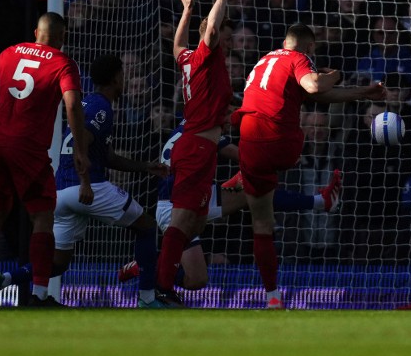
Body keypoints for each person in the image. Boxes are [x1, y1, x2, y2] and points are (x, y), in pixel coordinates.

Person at [233, 23, 386, 309]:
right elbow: (315, 85)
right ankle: (316, 200)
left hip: (248, 138)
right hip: (279, 141)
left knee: (259, 219)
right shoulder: (298, 58)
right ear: (310, 47)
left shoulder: (266, 59)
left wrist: (362, 92)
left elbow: (317, 94)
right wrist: (336, 74)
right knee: (306, 132)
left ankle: (272, 297)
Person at [0, 55, 170, 307]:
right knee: (146, 227)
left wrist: (145, 167)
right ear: (115, 78)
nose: (124, 79)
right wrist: (86, 182)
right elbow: (85, 141)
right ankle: (147, 298)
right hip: (87, 187)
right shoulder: (101, 107)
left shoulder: (88, 101)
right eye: (122, 75)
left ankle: (5, 279)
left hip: (61, 191)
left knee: (57, 262)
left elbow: (107, 156)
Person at [118, 111, 343, 291]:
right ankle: (148, 266)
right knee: (196, 281)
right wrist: (281, 158)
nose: (228, 117)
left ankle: (320, 201)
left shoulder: (192, 124)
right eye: (226, 112)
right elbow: (243, 156)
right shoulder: (207, 128)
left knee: (251, 185)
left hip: (195, 197)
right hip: (177, 207)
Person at [0, 12, 90, 306]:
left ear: (36, 31)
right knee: (42, 216)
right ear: (62, 38)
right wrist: (79, 147)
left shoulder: (8, 53)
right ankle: (39, 295)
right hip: (27, 148)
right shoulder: (62, 63)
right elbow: (73, 104)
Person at [154, 0, 233, 306]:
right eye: (220, 36)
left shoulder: (186, 59)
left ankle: (153, 271)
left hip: (200, 146)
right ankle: (159, 286)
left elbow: (177, 45)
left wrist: (186, 8)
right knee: (183, 220)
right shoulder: (203, 56)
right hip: (198, 146)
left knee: (195, 221)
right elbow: (211, 30)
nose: (223, 40)